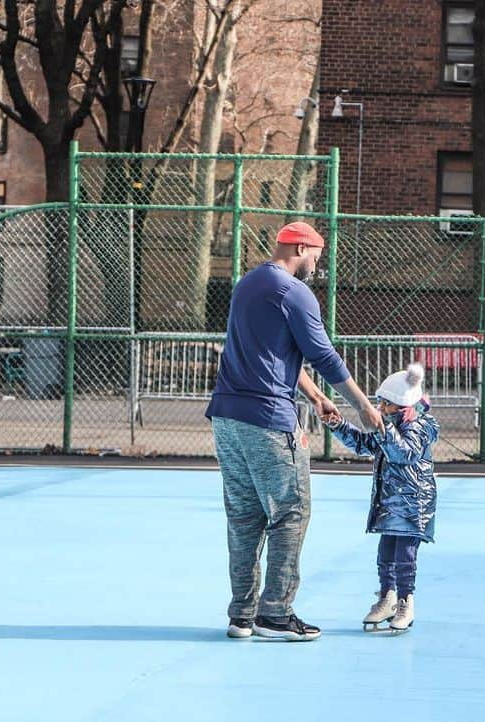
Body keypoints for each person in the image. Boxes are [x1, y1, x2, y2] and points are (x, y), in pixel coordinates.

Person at [207, 221, 381, 643]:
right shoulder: (294, 292)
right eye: (316, 258)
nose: (316, 268)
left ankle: (242, 616)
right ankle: (276, 613)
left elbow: (273, 354)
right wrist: (362, 405)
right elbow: (322, 353)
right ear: (301, 247)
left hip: (228, 417)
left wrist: (314, 396)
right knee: (291, 513)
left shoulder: (249, 283)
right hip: (268, 421)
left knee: (244, 517)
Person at [321, 363, 440, 635]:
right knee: (385, 553)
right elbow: (364, 444)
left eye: (384, 404)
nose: (379, 408)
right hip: (389, 502)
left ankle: (405, 601)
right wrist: (337, 423)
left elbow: (404, 454)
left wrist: (382, 429)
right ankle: (386, 596)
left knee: (405, 556)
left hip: (414, 505)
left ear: (400, 405)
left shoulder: (420, 427)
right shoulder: (388, 425)